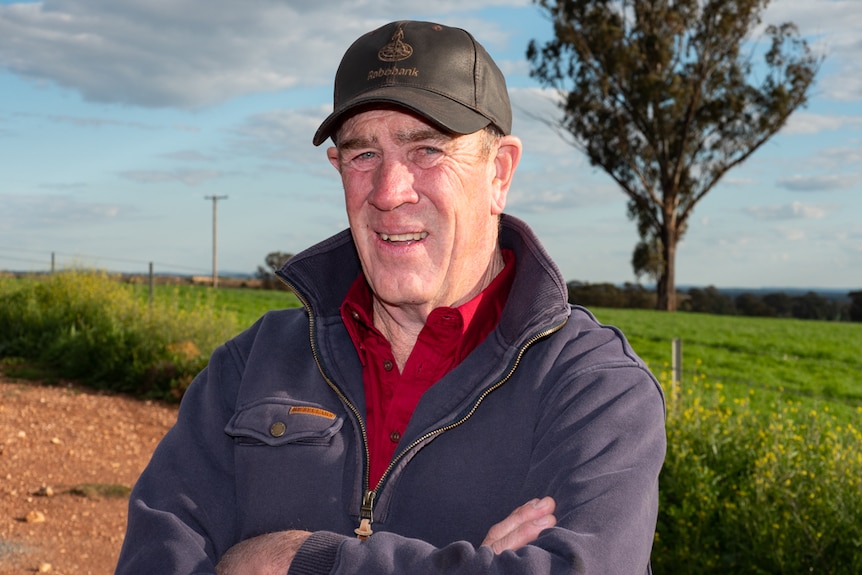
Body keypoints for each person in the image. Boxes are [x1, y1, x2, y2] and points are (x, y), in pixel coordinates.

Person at [115, 20, 666, 575]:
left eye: (427, 149)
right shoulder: (250, 366)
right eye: (363, 155)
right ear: (338, 168)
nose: (388, 193)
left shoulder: (593, 388)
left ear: (499, 172)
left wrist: (295, 560)